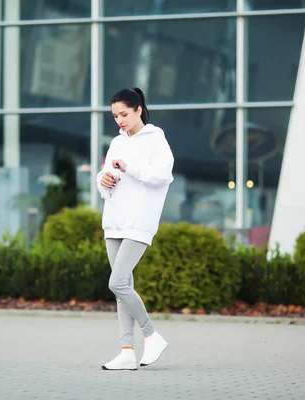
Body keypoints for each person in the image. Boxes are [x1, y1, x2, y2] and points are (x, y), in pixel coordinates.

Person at [96, 87, 175, 370]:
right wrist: (102, 180)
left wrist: (130, 169)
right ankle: (127, 350)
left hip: (139, 223)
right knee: (122, 288)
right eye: (115, 115)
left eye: (124, 114)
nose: (120, 120)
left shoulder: (156, 139)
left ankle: (151, 335)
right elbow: (105, 173)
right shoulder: (117, 142)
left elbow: (163, 175)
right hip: (114, 221)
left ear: (139, 109)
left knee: (116, 283)